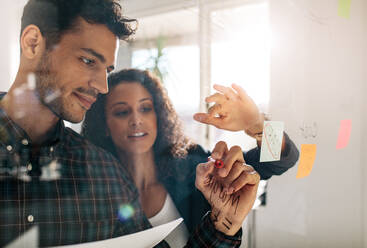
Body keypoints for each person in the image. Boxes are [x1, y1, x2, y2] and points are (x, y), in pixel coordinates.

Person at [0, 1, 258, 247]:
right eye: (88, 60)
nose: (102, 87)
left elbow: (277, 158)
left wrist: (224, 223)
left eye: (107, 70)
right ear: (33, 43)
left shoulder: (108, 175)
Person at [82, 69, 300, 247]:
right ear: (105, 125)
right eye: (122, 112)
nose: (136, 120)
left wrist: (256, 124)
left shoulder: (191, 165)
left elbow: (278, 160)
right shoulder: (94, 194)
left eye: (146, 108)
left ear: (158, 115)